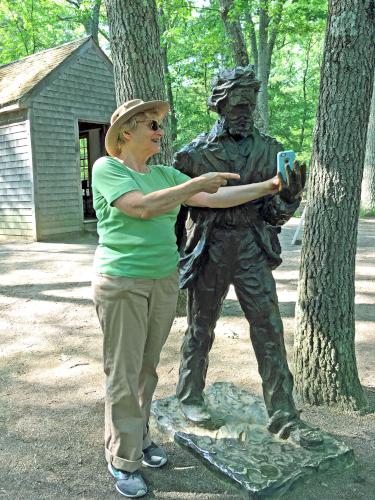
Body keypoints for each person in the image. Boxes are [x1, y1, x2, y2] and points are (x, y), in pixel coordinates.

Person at [91, 98, 283, 498]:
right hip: (123, 282)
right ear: (127, 132)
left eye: (160, 125)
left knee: (146, 370)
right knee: (123, 372)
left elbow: (213, 199)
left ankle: (139, 437)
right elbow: (140, 208)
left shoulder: (163, 173)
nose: (160, 131)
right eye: (152, 126)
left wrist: (269, 186)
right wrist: (194, 183)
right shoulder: (108, 168)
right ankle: (122, 458)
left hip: (163, 280)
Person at [174, 66, 306, 433]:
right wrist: (174, 258)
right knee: (200, 327)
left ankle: (283, 412)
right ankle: (189, 396)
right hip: (210, 248)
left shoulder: (270, 151)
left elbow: (274, 215)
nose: (244, 112)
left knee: (269, 328)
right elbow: (177, 216)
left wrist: (289, 199)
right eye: (237, 105)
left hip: (252, 247)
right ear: (219, 105)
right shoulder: (192, 156)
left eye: (250, 105)